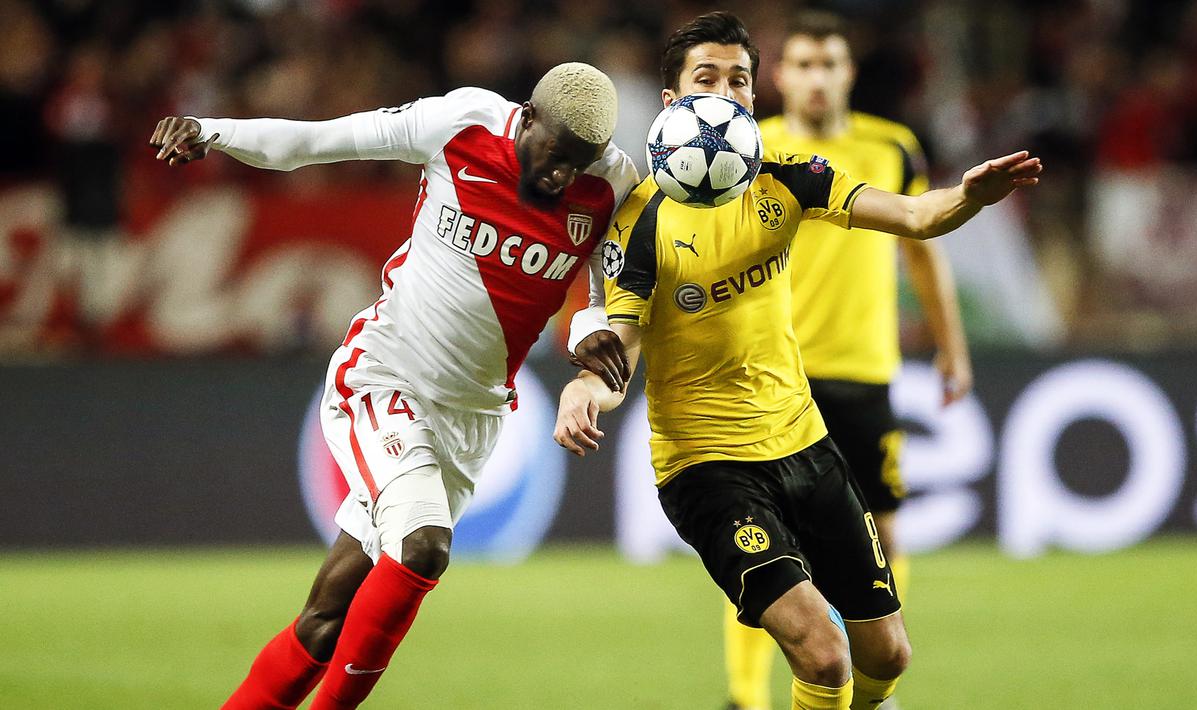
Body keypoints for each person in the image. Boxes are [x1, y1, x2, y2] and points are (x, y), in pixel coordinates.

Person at [559, 12, 1039, 710]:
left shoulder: (790, 180)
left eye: (739, 80)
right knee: (821, 650)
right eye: (706, 79)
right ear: (671, 103)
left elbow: (913, 217)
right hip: (707, 467)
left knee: (888, 653)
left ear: (755, 96)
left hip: (805, 445)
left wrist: (966, 197)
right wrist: (583, 390)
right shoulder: (638, 221)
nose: (725, 93)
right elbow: (621, 345)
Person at [150, 62, 637, 709]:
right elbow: (315, 142)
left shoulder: (613, 184)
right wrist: (211, 131)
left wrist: (586, 337)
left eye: (578, 163)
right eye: (554, 155)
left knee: (324, 622)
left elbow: (597, 302)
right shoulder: (461, 124)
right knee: (424, 546)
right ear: (527, 115)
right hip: (385, 376)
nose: (560, 176)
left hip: (472, 416)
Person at [719, 12, 973, 710]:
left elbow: (921, 247)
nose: (816, 78)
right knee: (767, 554)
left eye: (829, 64)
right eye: (802, 64)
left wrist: (951, 345)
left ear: (848, 74)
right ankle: (746, 698)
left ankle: (872, 685)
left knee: (881, 534)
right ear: (780, 75)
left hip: (864, 371)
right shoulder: (744, 149)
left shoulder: (890, 147)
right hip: (773, 375)